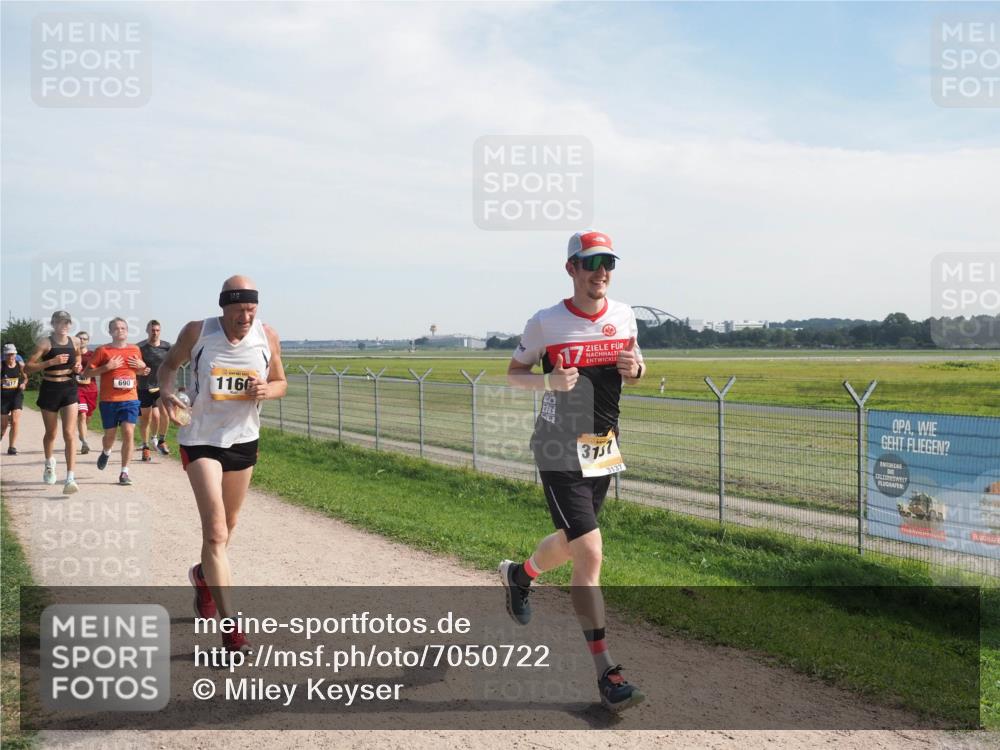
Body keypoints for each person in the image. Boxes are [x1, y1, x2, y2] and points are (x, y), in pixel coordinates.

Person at [499, 230, 646, 712]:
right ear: (572, 269)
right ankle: (607, 673)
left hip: (602, 446)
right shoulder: (546, 322)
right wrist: (547, 378)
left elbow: (637, 362)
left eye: (608, 264)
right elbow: (513, 373)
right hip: (558, 446)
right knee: (591, 551)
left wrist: (636, 368)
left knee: (570, 541)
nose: (601, 272)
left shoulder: (624, 316)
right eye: (591, 263)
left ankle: (521, 576)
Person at [158, 276, 286, 654]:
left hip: (244, 441)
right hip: (200, 439)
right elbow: (167, 367)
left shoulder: (267, 335)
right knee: (215, 533)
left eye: (251, 309)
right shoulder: (198, 332)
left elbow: (281, 381)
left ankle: (202, 576)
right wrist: (167, 392)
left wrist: (268, 389)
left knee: (227, 529)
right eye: (239, 310)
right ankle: (233, 631)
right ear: (224, 308)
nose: (245, 317)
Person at [81, 318, 145, 486]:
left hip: (130, 399)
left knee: (129, 432)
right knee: (110, 435)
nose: (120, 330)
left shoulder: (135, 349)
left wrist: (142, 366)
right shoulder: (103, 350)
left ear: (127, 330)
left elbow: (140, 371)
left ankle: (124, 472)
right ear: (110, 332)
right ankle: (106, 451)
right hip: (109, 401)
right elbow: (86, 373)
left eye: (123, 328)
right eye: (116, 328)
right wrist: (106, 368)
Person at [23, 311, 81, 494]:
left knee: (69, 433)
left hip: (69, 389)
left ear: (70, 324)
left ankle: (70, 477)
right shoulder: (45, 342)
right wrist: (50, 363)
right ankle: (49, 464)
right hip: (50, 389)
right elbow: (28, 367)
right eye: (59, 322)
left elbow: (78, 356)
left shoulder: (75, 341)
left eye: (67, 322)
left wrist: (77, 366)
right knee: (51, 433)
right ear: (53, 324)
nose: (63, 325)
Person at [137, 320, 172, 461]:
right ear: (147, 331)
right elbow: (133, 367)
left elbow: (172, 364)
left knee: (164, 414)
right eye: (152, 330)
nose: (155, 333)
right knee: (146, 419)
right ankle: (145, 447)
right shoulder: (140, 347)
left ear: (160, 331)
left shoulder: (167, 347)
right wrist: (140, 371)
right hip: (144, 387)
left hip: (161, 386)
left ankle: (161, 441)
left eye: (157, 330)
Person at [1, 344, 27, 455]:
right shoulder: (1, 366)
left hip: (16, 395)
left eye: (12, 354)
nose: (10, 357)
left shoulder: (20, 365)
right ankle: (1, 434)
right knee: (4, 425)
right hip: (3, 397)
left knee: (15, 421)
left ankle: (12, 447)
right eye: (8, 354)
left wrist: (24, 384)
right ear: (4, 355)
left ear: (16, 354)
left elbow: (25, 378)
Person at [75, 330, 98, 455]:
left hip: (91, 389)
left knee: (88, 416)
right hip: (78, 389)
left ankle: (82, 432)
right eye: (80, 338)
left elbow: (100, 368)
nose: (82, 340)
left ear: (88, 341)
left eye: (84, 339)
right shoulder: (73, 355)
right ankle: (84, 442)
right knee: (82, 415)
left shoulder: (93, 355)